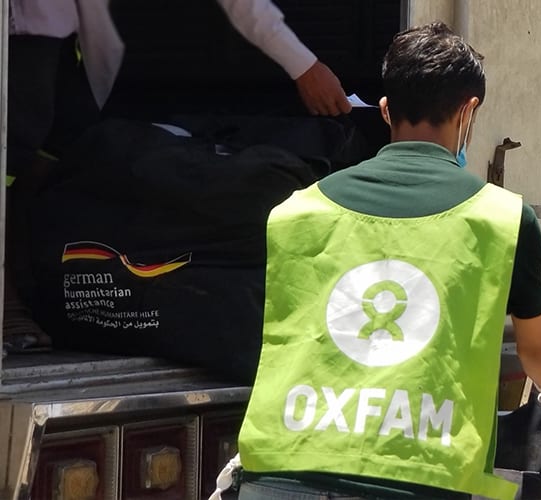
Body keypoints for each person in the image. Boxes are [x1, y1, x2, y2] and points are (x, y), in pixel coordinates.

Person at [220, 22, 541, 500]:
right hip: (422, 482)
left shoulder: (295, 210)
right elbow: (535, 349)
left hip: (281, 474)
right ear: (470, 112)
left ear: (385, 111)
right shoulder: (503, 218)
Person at [3, 0, 351, 353]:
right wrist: (305, 67)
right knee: (17, 141)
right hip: (22, 25)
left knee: (63, 144)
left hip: (57, 26)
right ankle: (7, 297)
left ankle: (28, 285)